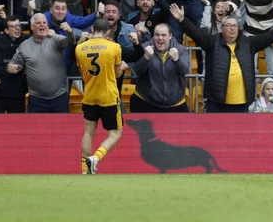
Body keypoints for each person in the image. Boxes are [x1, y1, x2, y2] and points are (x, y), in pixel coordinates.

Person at [170, 3, 273, 113]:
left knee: (240, 138)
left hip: (242, 104)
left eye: (235, 26)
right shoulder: (212, 42)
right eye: (228, 25)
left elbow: (270, 36)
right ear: (222, 28)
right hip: (216, 103)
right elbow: (195, 34)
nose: (232, 28)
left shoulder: (248, 43)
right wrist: (182, 19)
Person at [76, 18, 127, 175]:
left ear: (92, 30)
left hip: (90, 95)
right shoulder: (114, 47)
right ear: (107, 32)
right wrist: (123, 68)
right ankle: (96, 158)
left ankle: (85, 169)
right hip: (108, 97)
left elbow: (82, 72)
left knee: (88, 132)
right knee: (115, 133)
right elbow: (117, 73)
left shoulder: (80, 49)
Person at [10, 12, 75, 113]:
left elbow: (71, 42)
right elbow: (14, 64)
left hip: (59, 98)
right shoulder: (24, 46)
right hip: (37, 100)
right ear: (31, 27)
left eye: (44, 22)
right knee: (37, 129)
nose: (42, 25)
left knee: (62, 128)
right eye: (38, 23)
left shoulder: (56, 39)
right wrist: (9, 67)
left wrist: (70, 32)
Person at [131, 23, 190, 113]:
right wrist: (146, 58)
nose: (160, 38)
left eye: (163, 35)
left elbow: (185, 71)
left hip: (175, 104)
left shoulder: (181, 50)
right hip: (147, 102)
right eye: (157, 35)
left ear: (170, 36)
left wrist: (176, 60)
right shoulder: (145, 48)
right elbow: (136, 71)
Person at [0, 16, 29, 113]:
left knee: (17, 125)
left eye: (19, 26)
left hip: (18, 92)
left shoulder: (27, 40)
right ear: (6, 30)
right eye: (13, 26)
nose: (17, 28)